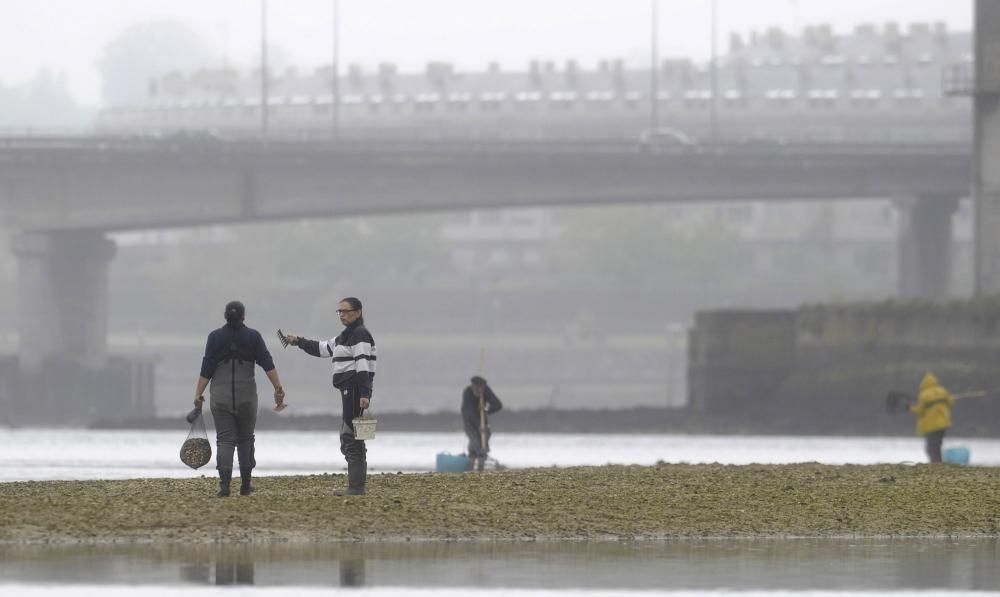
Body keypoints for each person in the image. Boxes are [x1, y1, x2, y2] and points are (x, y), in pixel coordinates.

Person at [282, 297, 376, 495]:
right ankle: (356, 485)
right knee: (352, 434)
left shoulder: (360, 334)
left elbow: (363, 364)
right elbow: (323, 349)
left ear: (358, 312)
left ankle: (356, 487)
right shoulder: (346, 335)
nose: (341, 314)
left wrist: (365, 393)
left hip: (355, 389)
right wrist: (298, 341)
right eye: (339, 311)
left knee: (351, 435)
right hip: (349, 390)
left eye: (345, 311)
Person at [194, 300, 286, 497]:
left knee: (225, 439)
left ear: (225, 316)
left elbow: (206, 368)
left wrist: (198, 394)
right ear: (244, 316)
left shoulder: (215, 337)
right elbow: (268, 364)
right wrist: (278, 389)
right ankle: (245, 485)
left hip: (221, 396)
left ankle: (225, 486)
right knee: (246, 439)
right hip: (246, 396)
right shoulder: (253, 337)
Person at [909, 371, 955, 463]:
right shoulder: (943, 391)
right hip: (943, 423)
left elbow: (920, 410)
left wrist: (909, 408)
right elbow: (951, 403)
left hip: (931, 425)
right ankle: (938, 462)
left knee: (931, 446)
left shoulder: (924, 394)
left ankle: (935, 463)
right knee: (938, 444)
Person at [462, 375, 502, 471]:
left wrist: (486, 409)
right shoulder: (467, 393)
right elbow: (469, 413)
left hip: (483, 423)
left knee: (484, 445)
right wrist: (479, 425)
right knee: (475, 444)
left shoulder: (485, 391)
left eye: (481, 388)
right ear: (472, 386)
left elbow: (498, 405)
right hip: (470, 423)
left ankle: (481, 468)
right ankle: (470, 468)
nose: (479, 391)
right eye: (476, 388)